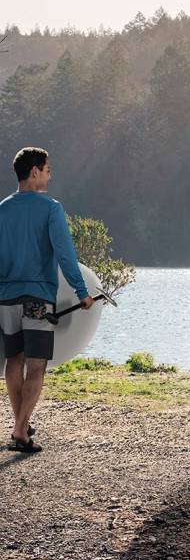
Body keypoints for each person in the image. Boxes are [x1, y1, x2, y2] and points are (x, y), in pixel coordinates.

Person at [0, 147, 93, 453]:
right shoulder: (50, 208)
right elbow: (65, 255)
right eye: (47, 168)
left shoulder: (2, 209)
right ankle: (20, 431)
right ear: (35, 171)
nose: (50, 173)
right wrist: (81, 292)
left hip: (7, 298)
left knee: (14, 360)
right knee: (37, 365)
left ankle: (21, 426)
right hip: (38, 297)